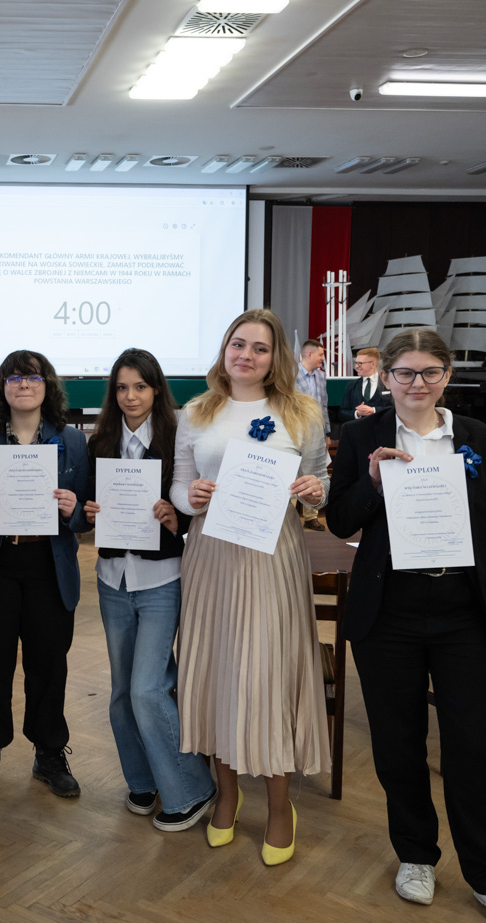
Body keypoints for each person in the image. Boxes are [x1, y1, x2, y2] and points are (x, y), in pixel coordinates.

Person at [323, 328, 486, 923]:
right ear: (385, 377)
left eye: (430, 372)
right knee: (397, 744)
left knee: (473, 749)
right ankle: (416, 854)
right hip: (388, 612)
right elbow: (338, 519)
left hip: (465, 612)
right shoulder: (361, 436)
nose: (417, 383)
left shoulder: (483, 441)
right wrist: (371, 483)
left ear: (447, 376)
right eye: (405, 373)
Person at [171, 308, 330, 866]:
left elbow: (321, 481)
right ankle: (228, 793)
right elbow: (180, 485)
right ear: (224, 349)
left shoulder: (302, 412)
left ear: (275, 357)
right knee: (218, 669)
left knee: (267, 674)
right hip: (212, 555)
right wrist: (189, 497)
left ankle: (281, 805)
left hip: (272, 556)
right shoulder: (196, 412)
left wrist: (315, 490)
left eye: (260, 348)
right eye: (238, 344)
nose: (246, 355)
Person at [77, 348, 215, 832]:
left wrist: (178, 519)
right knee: (121, 693)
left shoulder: (179, 439)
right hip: (112, 580)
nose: (130, 396)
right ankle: (143, 780)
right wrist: (88, 514)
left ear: (156, 389)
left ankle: (191, 788)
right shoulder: (100, 442)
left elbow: (195, 509)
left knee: (148, 688)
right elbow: (85, 512)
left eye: (139, 386)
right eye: (121, 388)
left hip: (162, 580)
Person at [0, 350, 88, 805]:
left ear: (46, 385)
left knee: (49, 666)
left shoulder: (72, 441)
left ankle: (49, 753)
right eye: (14, 377)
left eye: (32, 377)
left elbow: (87, 512)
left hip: (49, 566)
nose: (23, 385)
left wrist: (74, 511)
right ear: (2, 387)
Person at [339, 346, 394, 421]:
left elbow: (396, 409)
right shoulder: (351, 386)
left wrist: (374, 410)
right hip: (358, 427)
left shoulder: (388, 383)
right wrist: (357, 413)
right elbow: (342, 413)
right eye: (356, 363)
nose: (356, 366)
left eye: (360, 363)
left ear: (373, 364)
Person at [295, 339, 330, 438]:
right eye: (320, 355)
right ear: (310, 354)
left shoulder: (322, 376)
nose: (323, 358)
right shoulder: (290, 374)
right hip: (297, 431)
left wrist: (327, 433)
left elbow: (324, 406)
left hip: (318, 433)